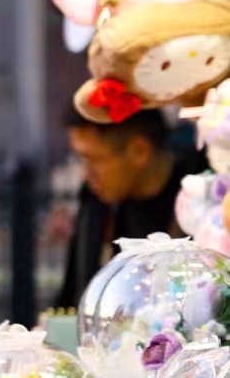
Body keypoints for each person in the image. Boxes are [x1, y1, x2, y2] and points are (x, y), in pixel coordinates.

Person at [55, 104, 204, 309]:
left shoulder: (202, 196)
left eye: (94, 159)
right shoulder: (95, 200)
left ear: (139, 151)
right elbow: (72, 296)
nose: (85, 173)